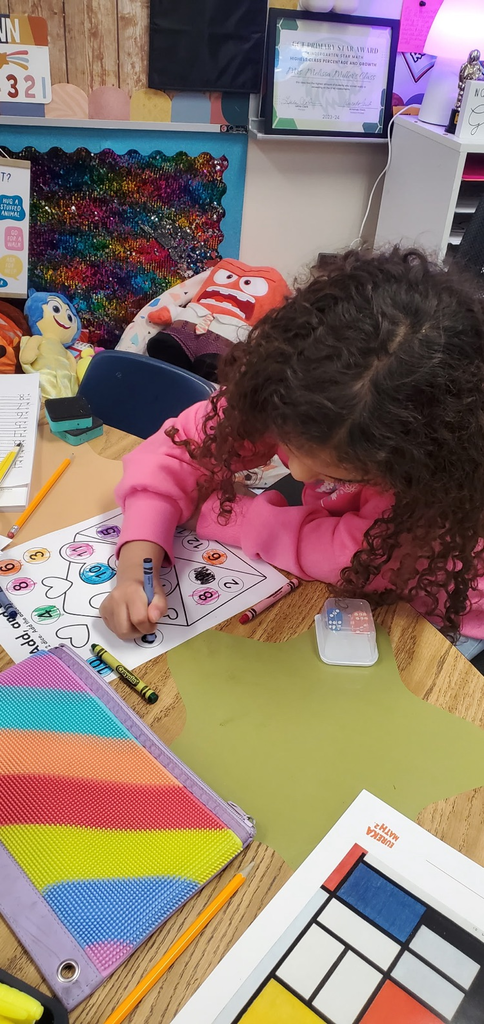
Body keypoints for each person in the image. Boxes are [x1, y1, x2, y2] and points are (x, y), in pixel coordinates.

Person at [101, 247, 484, 657]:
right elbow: (176, 451)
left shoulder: (430, 479)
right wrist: (135, 562)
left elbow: (351, 553)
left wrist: (219, 514)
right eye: (289, 444)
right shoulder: (297, 394)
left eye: (339, 475)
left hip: (450, 602)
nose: (298, 473)